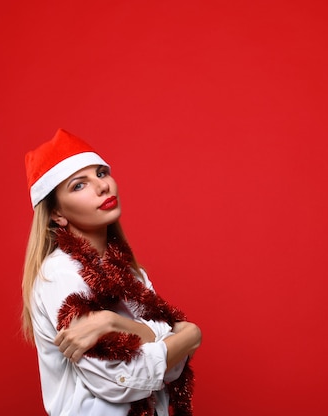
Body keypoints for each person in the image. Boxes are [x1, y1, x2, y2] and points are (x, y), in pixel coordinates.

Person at [21, 128, 202, 416]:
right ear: (57, 214)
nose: (103, 186)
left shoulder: (128, 272)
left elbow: (170, 367)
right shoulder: (61, 273)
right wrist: (188, 336)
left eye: (102, 173)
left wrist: (115, 323)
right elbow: (120, 381)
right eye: (79, 185)